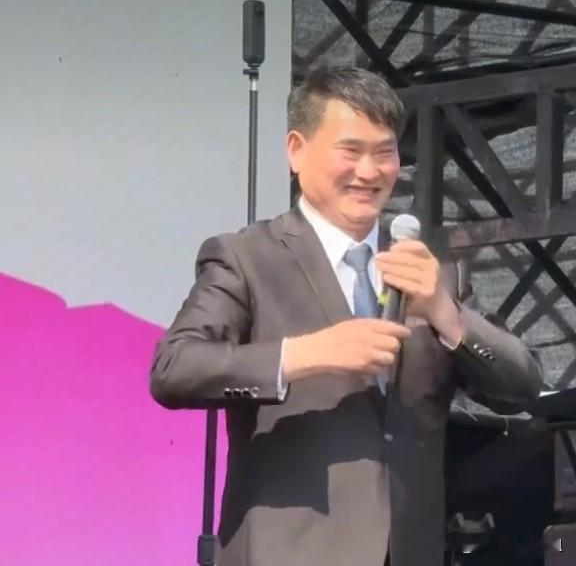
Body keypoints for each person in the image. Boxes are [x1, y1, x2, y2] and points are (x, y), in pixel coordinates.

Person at [150, 66, 542, 566]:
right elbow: (174, 368)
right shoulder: (248, 257)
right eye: (350, 151)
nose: (370, 171)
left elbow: (523, 385)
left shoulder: (432, 273)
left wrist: (446, 314)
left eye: (384, 153)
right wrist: (304, 354)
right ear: (297, 150)